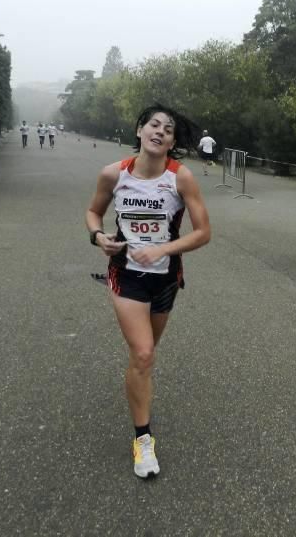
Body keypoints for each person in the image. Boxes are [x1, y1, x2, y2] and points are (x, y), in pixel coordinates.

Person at [85, 103, 211, 479]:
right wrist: (98, 236)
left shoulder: (181, 178)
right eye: (153, 125)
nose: (160, 132)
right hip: (127, 274)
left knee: (146, 354)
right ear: (139, 131)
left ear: (172, 141)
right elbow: (93, 213)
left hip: (165, 277)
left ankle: (137, 384)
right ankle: (143, 439)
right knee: (142, 353)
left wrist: (162, 249)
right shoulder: (113, 174)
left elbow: (204, 233)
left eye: (168, 129)